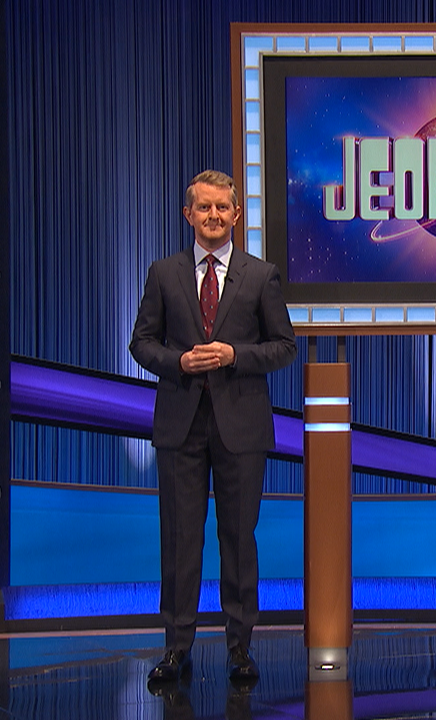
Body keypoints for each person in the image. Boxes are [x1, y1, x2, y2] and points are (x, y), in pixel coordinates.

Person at [130, 170, 296, 686]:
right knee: (180, 542)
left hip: (240, 429)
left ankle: (240, 649)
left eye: (222, 208)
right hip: (181, 425)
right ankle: (177, 647)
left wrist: (233, 355)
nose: (214, 217)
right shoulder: (163, 273)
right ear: (188, 215)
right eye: (204, 208)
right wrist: (179, 362)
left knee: (237, 540)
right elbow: (141, 343)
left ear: (236, 215)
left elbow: (283, 346)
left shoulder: (260, 275)